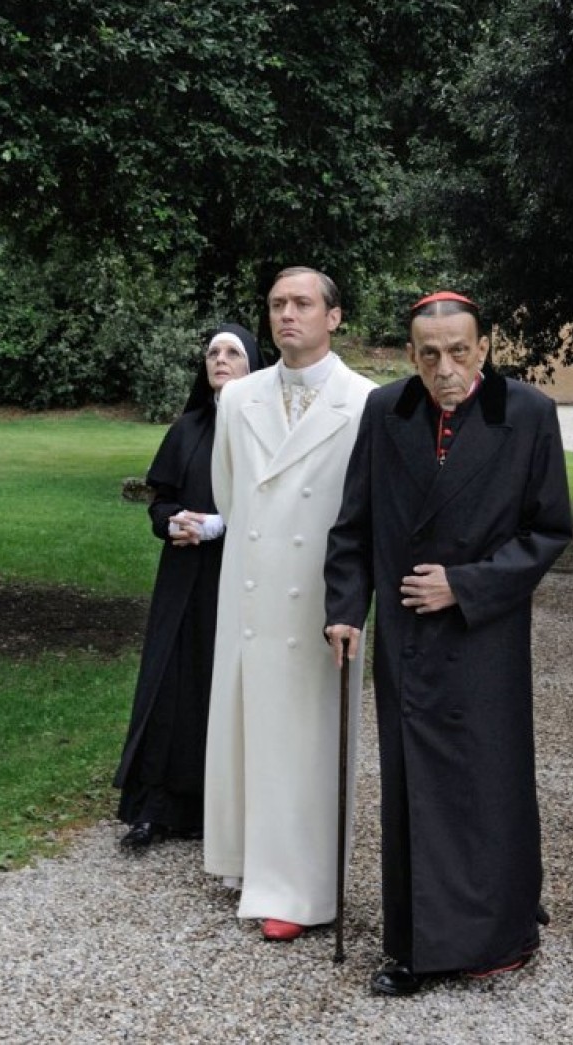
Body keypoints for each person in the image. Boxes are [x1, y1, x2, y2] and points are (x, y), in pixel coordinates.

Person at [324, 291, 572, 996]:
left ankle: (500, 932)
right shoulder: (386, 411)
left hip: (485, 633)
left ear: (483, 349)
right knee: (418, 790)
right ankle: (420, 946)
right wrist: (345, 609)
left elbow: (549, 530)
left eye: (460, 351)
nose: (446, 368)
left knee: (490, 783)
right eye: (429, 354)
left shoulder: (528, 412)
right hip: (408, 637)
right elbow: (354, 524)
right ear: (411, 355)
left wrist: (465, 584)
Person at [203, 267, 375, 942]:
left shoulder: (366, 401)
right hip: (251, 587)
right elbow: (228, 491)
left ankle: (303, 887)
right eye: (277, 304)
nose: (287, 314)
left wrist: (351, 598)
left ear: (334, 316)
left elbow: (366, 509)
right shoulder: (238, 397)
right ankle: (248, 862)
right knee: (250, 725)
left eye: (302, 303)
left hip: (321, 594)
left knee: (309, 741)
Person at [114, 324, 263, 850]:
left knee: (224, 683)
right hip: (184, 576)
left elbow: (279, 505)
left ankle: (219, 809)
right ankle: (155, 806)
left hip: (240, 574)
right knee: (172, 682)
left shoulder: (264, 429)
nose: (220, 360)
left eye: (232, 353)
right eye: (213, 352)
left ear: (252, 365)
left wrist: (223, 525)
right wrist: (172, 522)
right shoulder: (188, 428)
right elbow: (161, 502)